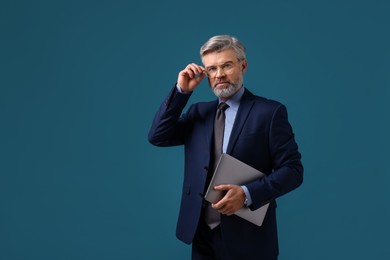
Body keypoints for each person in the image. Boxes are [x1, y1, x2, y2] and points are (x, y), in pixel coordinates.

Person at [148, 35, 303, 260]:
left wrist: (247, 194)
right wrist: (182, 91)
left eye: (226, 65)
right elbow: (157, 136)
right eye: (211, 69)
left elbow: (293, 170)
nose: (219, 74)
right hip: (201, 234)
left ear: (243, 65)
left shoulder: (269, 113)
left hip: (250, 239)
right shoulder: (198, 113)